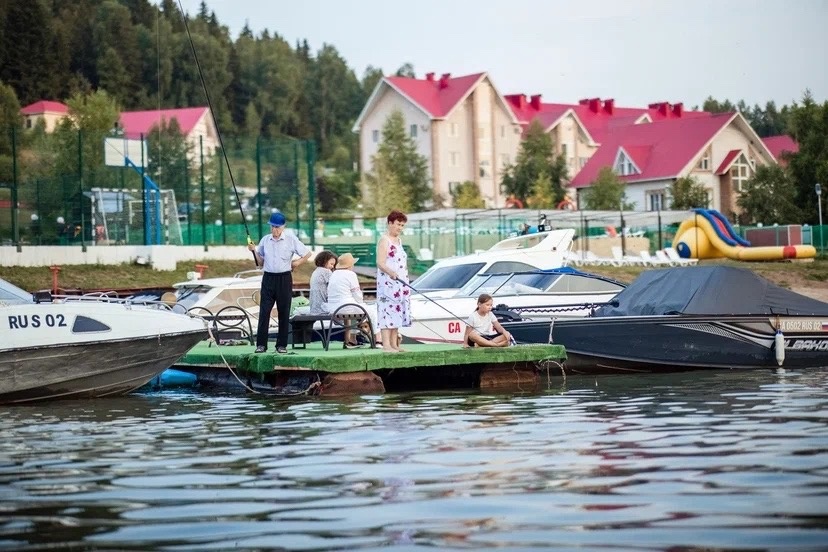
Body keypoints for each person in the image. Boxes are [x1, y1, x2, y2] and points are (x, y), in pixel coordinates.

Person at [248, 212, 311, 354]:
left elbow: (307, 253)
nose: (274, 230)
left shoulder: (291, 240)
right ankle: (261, 345)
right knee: (264, 311)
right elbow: (260, 262)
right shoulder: (265, 240)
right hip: (268, 278)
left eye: (277, 227)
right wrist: (254, 251)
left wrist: (297, 262)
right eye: (272, 227)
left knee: (284, 311)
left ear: (283, 227)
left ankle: (281, 345)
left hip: (284, 278)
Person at [326, 252, 381, 348]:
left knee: (355, 310)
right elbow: (357, 294)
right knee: (373, 310)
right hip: (347, 307)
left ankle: (352, 340)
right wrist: (362, 303)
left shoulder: (334, 274)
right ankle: (378, 340)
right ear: (350, 265)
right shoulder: (350, 274)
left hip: (333, 309)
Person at [376, 210, 411, 352]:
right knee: (387, 311)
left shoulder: (399, 241)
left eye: (402, 225)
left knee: (397, 311)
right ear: (390, 223)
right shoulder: (384, 240)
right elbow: (380, 262)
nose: (400, 228)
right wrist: (391, 273)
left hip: (401, 282)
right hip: (388, 282)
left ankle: (394, 344)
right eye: (398, 224)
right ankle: (386, 345)